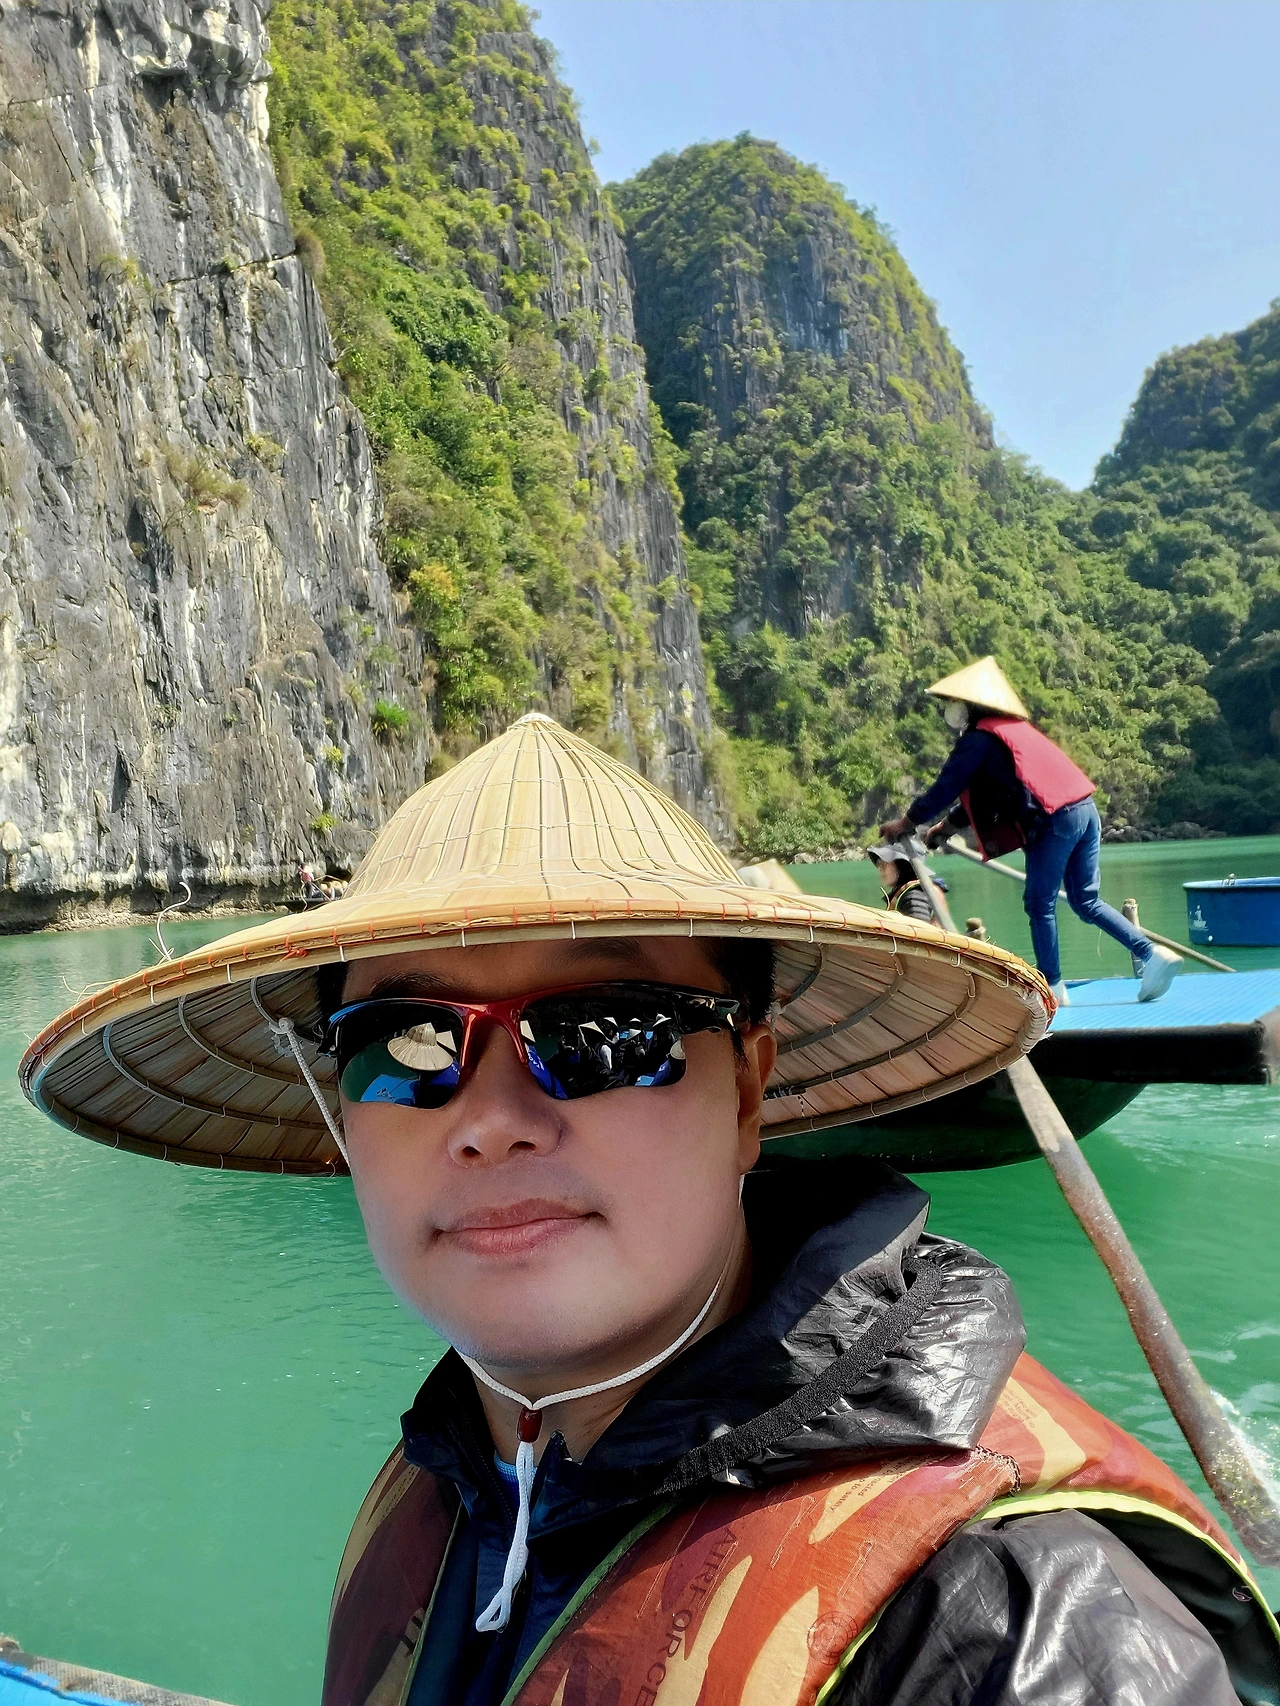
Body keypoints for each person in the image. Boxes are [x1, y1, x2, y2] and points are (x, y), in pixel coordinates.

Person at [21, 715, 1276, 1706]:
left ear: (749, 1088)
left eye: (607, 1030)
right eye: (405, 1039)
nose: (491, 1117)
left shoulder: (1008, 1628)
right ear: (341, 1103)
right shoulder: (464, 1471)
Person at [879, 656, 1182, 1006]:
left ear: (971, 706)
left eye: (954, 703)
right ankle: (1151, 955)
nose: (950, 710)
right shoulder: (1013, 733)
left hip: (1055, 820)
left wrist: (907, 822)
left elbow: (947, 786)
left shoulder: (978, 740)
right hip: (1085, 811)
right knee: (1086, 901)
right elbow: (987, 797)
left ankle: (1052, 987)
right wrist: (946, 827)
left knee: (1039, 904)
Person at [865, 841, 937, 922]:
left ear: (901, 865)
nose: (880, 869)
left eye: (884, 864)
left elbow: (920, 927)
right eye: (879, 864)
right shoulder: (907, 895)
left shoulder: (913, 896)